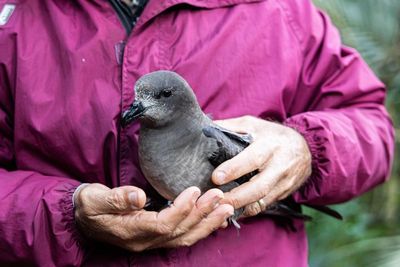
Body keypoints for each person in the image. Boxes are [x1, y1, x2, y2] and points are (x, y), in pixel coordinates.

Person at [0, 0, 394, 266]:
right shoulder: (14, 16)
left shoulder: (283, 9)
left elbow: (372, 126)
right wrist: (65, 215)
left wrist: (306, 148)